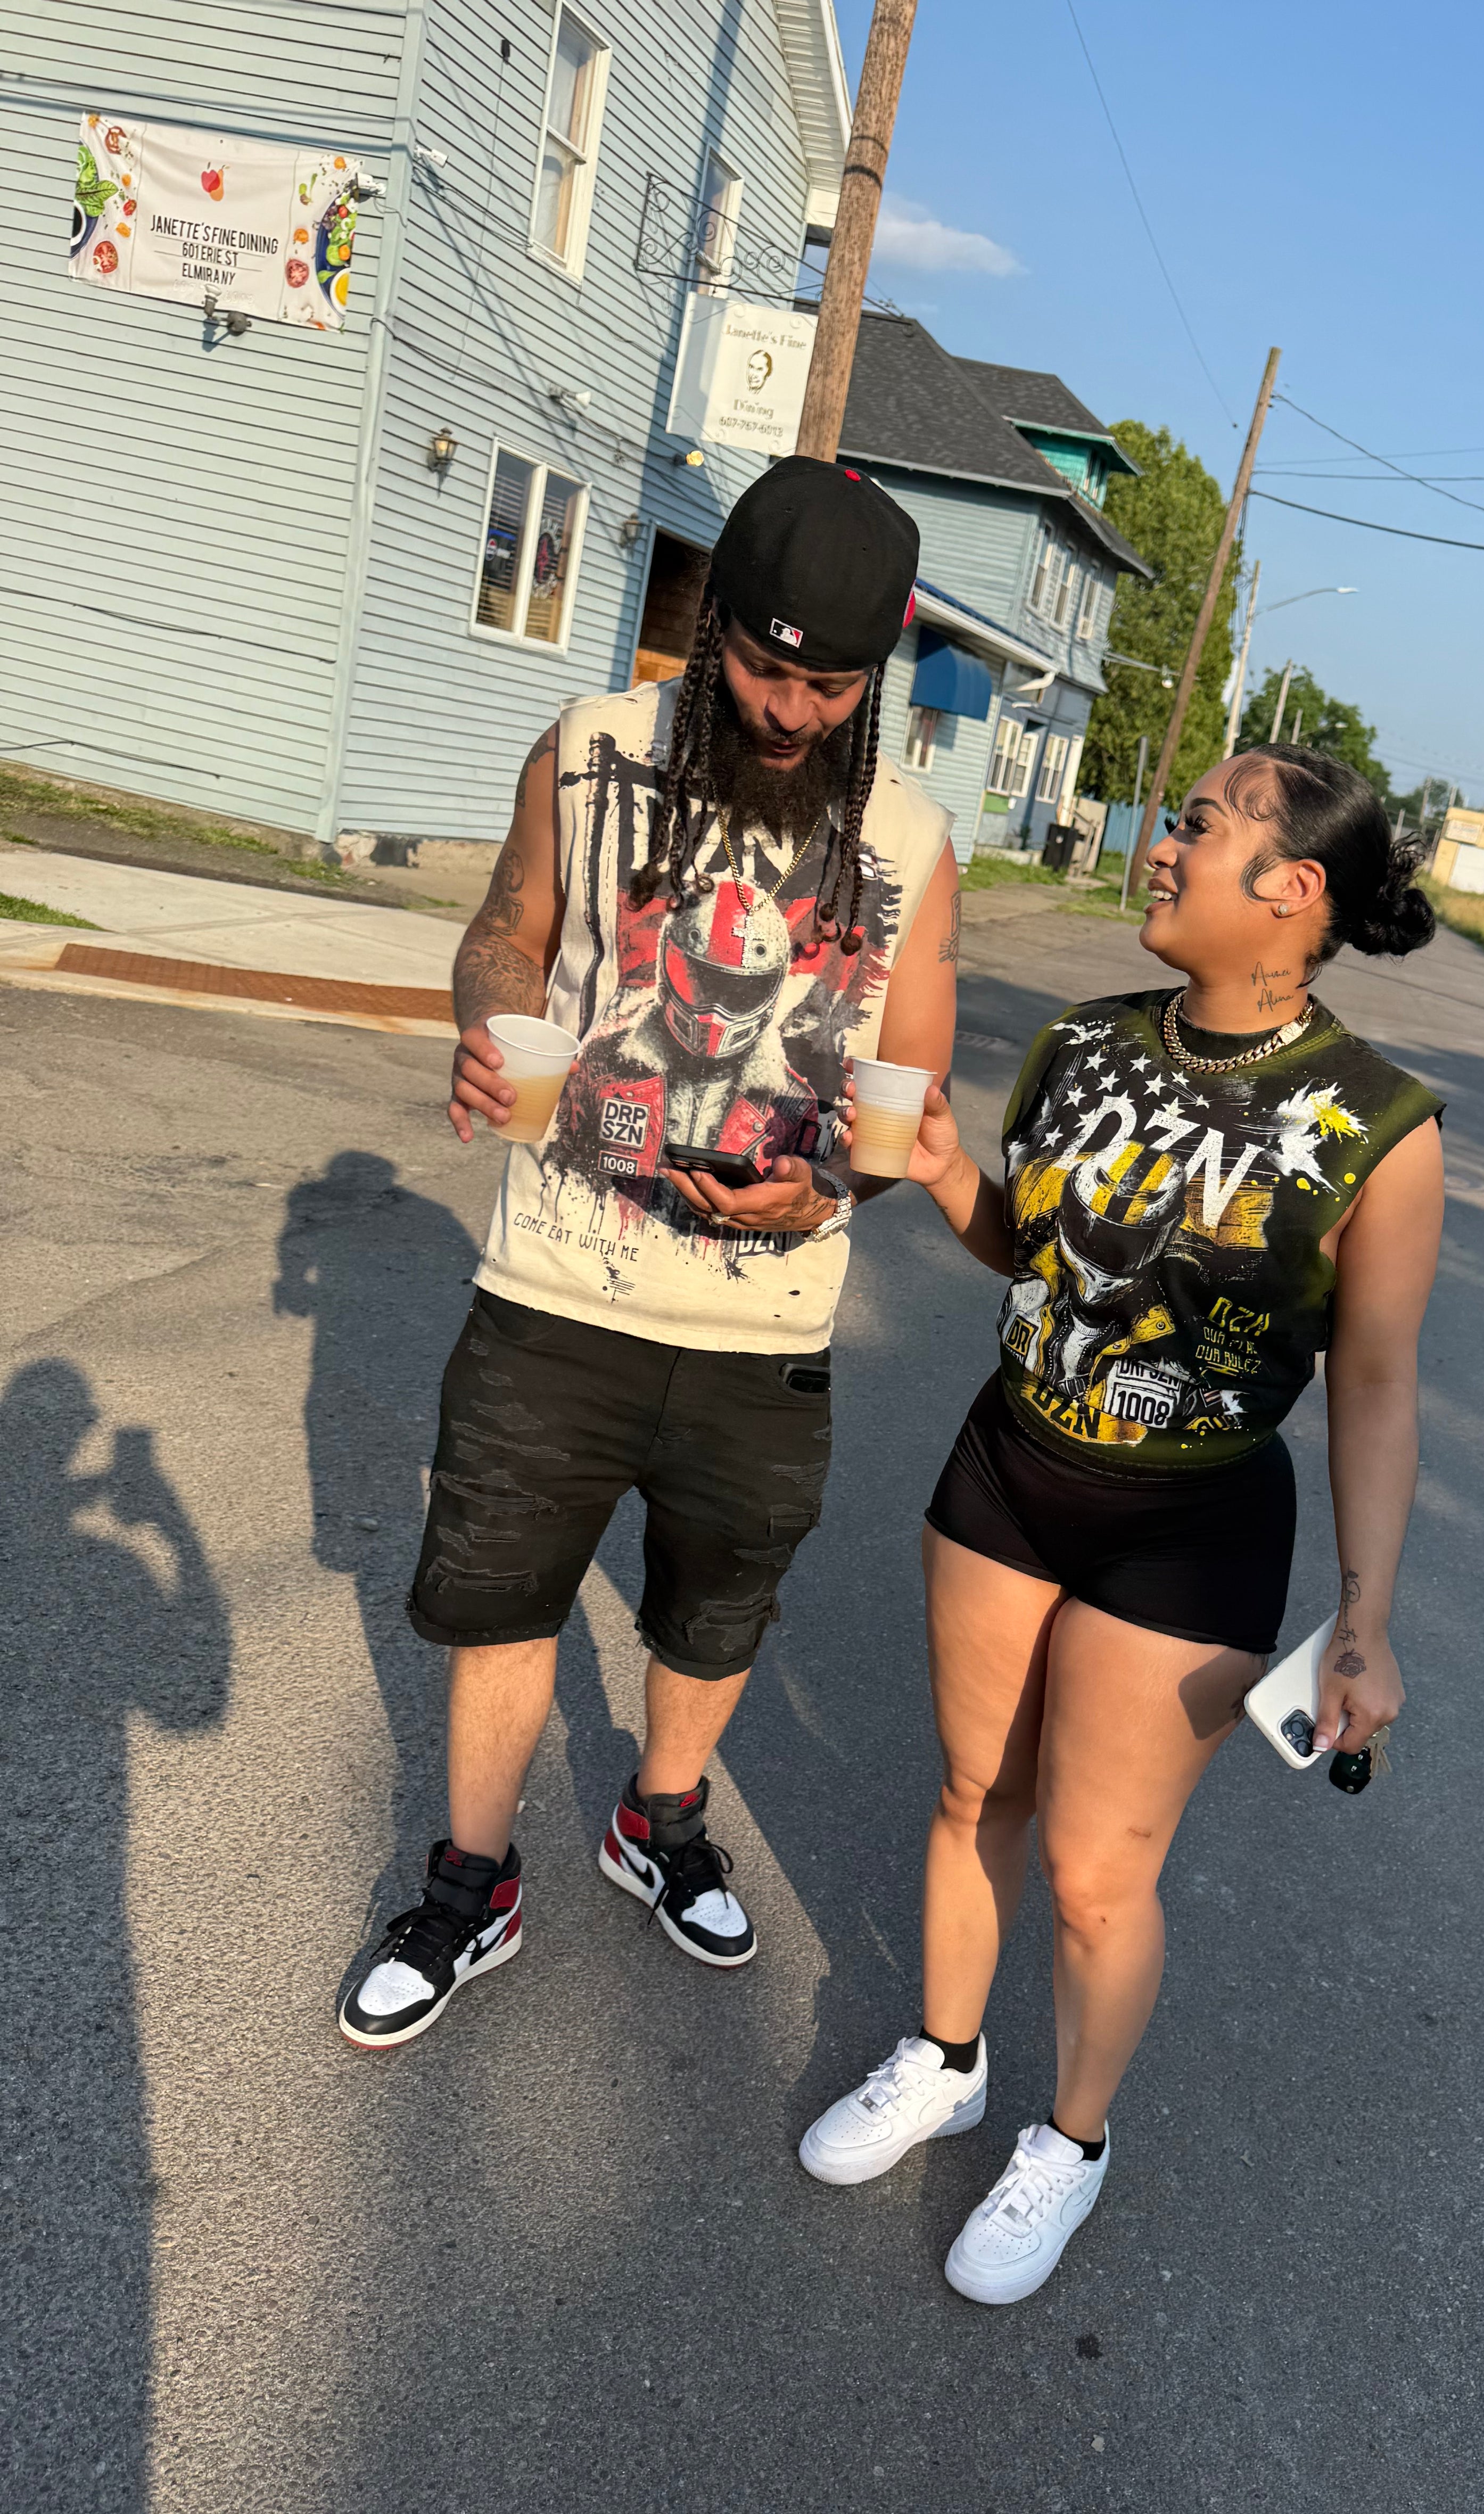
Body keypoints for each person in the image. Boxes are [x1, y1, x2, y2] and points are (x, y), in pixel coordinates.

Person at [797, 744, 1444, 2302]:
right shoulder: (1082, 1044)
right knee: (977, 1793)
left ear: (1291, 888)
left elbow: (1373, 1383)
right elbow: (1030, 1250)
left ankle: (1069, 2143)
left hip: (1192, 1527)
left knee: (1097, 1874)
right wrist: (945, 1169)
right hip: (1007, 1471)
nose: (1161, 844)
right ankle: (945, 2058)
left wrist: (1366, 1614)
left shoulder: (1381, 1123)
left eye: (1199, 827)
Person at [339, 457, 958, 2049]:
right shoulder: (589, 748)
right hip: (554, 1288)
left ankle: (659, 1820)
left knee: (714, 1614)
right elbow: (504, 933)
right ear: (713, 625)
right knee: (501, 1597)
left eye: (833, 689)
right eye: (764, 671)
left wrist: (832, 1191)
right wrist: (494, 1027)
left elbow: (908, 1098)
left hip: (766, 1330)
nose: (794, 713)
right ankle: (472, 1881)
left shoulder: (909, 837)